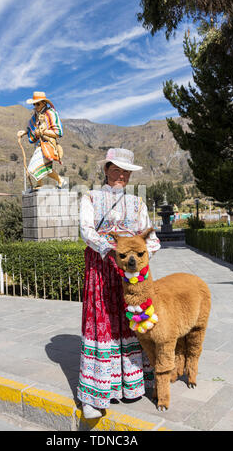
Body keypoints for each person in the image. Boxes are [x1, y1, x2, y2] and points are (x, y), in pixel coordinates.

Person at [77, 148, 161, 419]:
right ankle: (94, 394)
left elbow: (150, 236)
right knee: (101, 322)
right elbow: (86, 230)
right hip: (102, 267)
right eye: (116, 170)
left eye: (126, 172)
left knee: (132, 321)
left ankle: (136, 385)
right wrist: (110, 250)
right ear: (106, 170)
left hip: (132, 273)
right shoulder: (91, 197)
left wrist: (143, 253)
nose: (121, 176)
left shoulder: (138, 203)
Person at [17, 91, 66, 189]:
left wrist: (43, 132)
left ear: (44, 103)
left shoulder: (50, 113)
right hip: (39, 145)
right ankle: (53, 181)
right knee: (44, 166)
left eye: (38, 103)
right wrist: (25, 132)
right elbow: (32, 129)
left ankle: (58, 180)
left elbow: (58, 132)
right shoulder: (35, 117)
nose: (35, 106)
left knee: (35, 165)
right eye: (34, 104)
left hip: (47, 144)